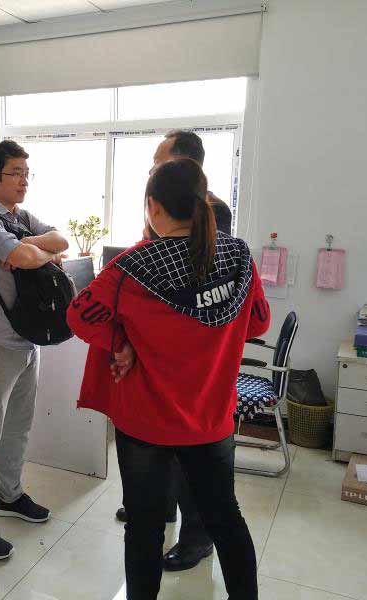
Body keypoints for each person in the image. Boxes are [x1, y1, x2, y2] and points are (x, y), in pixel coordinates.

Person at [67, 158, 270, 600]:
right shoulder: (238, 255)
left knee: (144, 525)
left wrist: (122, 342)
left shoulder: (132, 267)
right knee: (225, 519)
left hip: (146, 421)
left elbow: (79, 316)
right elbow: (258, 322)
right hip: (211, 417)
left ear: (153, 207)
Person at [115, 129, 232, 571]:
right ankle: (158, 506)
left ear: (185, 163)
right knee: (161, 442)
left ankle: (197, 539)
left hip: (193, 355)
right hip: (161, 349)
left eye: (159, 162)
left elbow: (195, 285)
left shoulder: (212, 212)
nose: (153, 170)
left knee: (191, 457)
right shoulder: (168, 208)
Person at [0, 140, 68, 561]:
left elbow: (60, 240)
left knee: (18, 426)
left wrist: (31, 246)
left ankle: (10, 495)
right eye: (15, 172)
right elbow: (21, 255)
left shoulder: (19, 216)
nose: (23, 180)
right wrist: (31, 251)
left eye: (26, 172)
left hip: (26, 337)